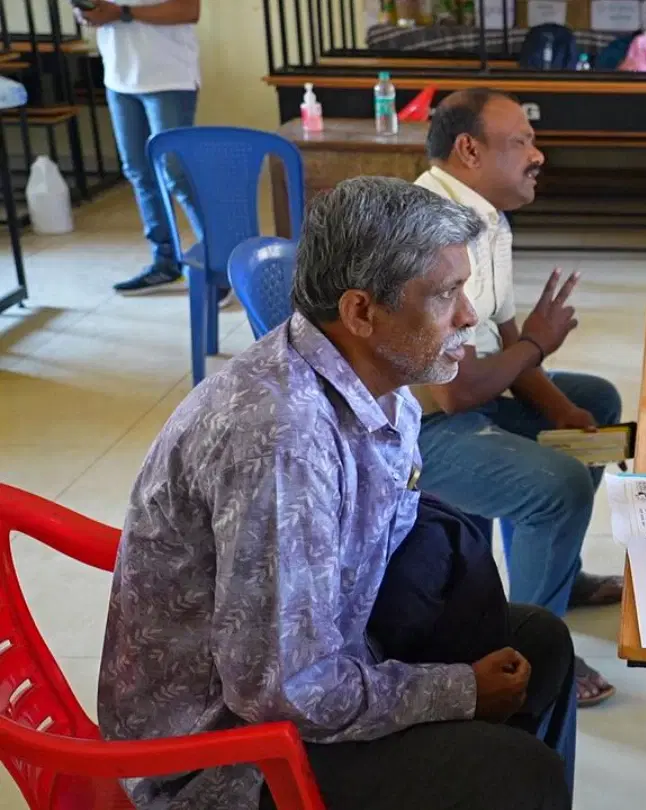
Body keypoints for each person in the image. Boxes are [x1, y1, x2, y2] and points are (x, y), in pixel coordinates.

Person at [99, 177, 572, 810]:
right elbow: (281, 691)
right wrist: (457, 691)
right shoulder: (281, 441)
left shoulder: (384, 386)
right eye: (445, 294)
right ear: (360, 312)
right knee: (518, 775)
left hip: (325, 658)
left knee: (540, 645)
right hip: (228, 755)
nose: (469, 316)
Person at [413, 88, 623, 706]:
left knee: (597, 404)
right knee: (559, 486)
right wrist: (536, 343)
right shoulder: (428, 230)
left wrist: (563, 411)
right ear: (469, 150)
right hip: (410, 431)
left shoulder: (487, 220)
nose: (538, 155)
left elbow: (503, 337)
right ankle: (528, 647)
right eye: (520, 142)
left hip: (466, 398)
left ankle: (557, 576)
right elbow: (456, 393)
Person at [75, 0, 216, 298]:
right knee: (139, 173)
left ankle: (219, 266)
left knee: (177, 174)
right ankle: (165, 263)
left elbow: (189, 10)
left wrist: (123, 13)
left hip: (169, 77)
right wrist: (87, 13)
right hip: (119, 77)